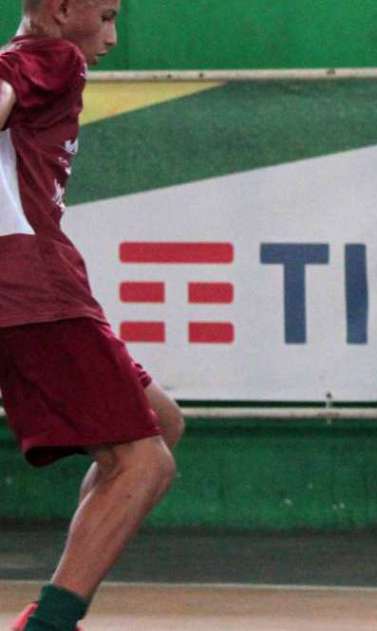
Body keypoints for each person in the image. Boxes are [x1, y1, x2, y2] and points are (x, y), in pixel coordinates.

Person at [0, 2, 184, 630]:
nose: (112, 35)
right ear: (60, 10)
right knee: (144, 459)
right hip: (34, 294)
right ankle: (50, 623)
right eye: (104, 15)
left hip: (35, 289)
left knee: (159, 422)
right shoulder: (52, 58)